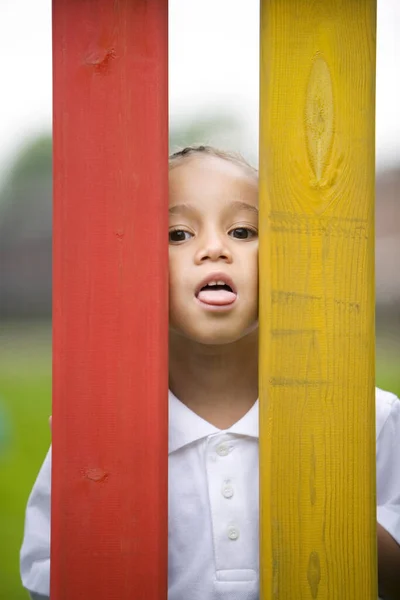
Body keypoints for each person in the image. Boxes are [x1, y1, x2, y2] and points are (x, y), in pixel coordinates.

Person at [20, 146, 400, 599]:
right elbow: (45, 582)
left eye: (242, 231)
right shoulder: (101, 432)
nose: (214, 249)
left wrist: (339, 506)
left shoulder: (369, 416)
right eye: (178, 234)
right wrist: (92, 508)